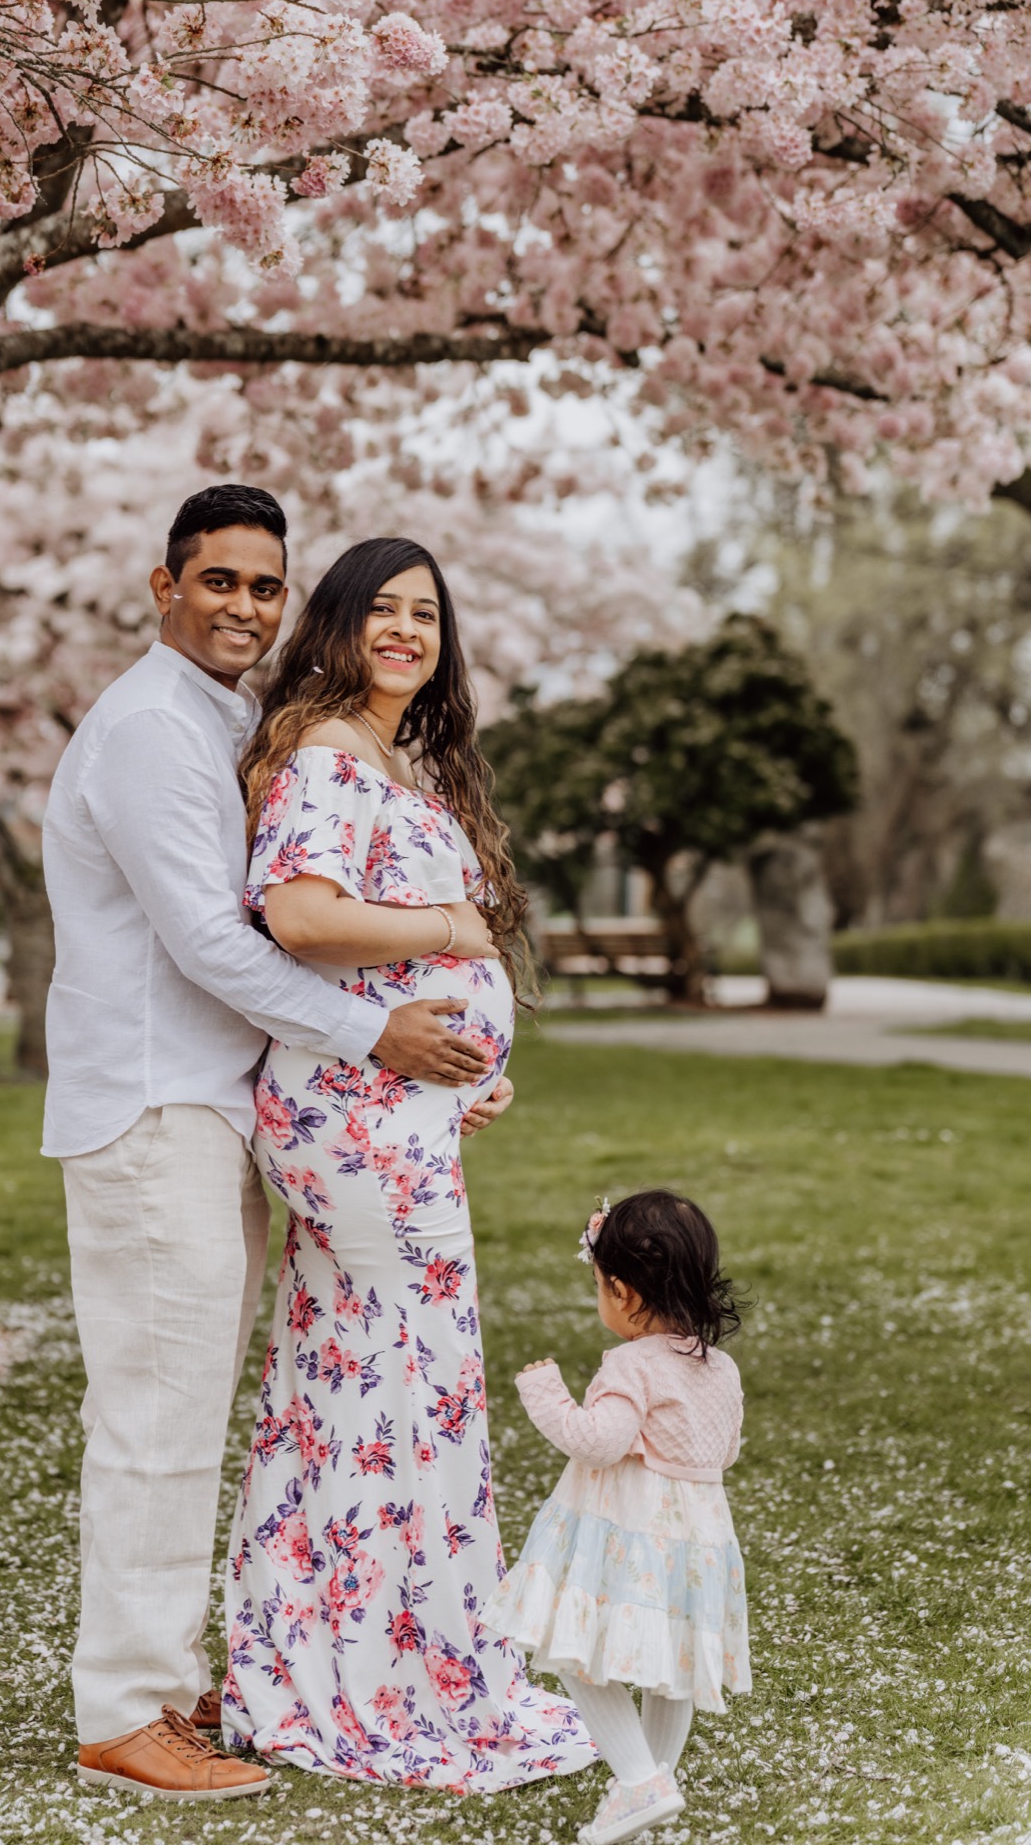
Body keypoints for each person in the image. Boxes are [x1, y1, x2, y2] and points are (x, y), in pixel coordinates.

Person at [41, 487, 506, 1803]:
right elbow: (213, 938)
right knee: (156, 1412)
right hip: (153, 1106)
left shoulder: (224, 719)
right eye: (217, 580)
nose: (242, 606)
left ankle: (169, 1678)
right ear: (164, 585)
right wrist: (380, 1037)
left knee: (190, 1403)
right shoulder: (149, 728)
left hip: (215, 1103)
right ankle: (123, 1712)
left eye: (263, 585)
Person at [222, 535, 597, 1792]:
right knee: (404, 1384)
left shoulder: (387, 758)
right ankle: (381, 1677)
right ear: (336, 623)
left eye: (424, 614)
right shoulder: (331, 752)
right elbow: (302, 916)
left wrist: (464, 1070)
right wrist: (454, 928)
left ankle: (335, 1654)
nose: (404, 630)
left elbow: (385, 957)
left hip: (386, 1111)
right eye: (380, 608)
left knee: (357, 1377)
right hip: (352, 1118)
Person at [483, 1189, 751, 1845]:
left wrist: (544, 1392)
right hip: (699, 1541)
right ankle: (655, 1781)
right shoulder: (720, 1367)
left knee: (574, 1648)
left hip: (628, 1533)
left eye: (600, 1286)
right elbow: (726, 1450)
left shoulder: (632, 1365)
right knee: (673, 1665)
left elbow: (598, 1442)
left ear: (623, 1294)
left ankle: (638, 1782)